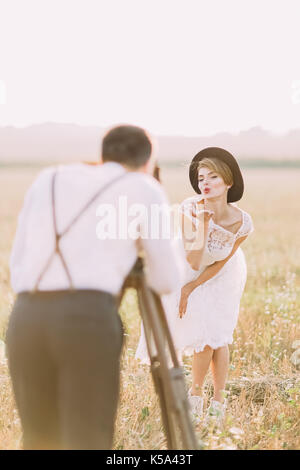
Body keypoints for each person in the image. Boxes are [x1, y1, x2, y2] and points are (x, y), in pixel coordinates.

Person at [6, 124, 185, 450]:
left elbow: (17, 261)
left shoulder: (50, 178)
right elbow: (167, 280)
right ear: (148, 161)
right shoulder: (143, 187)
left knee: (37, 438)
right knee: (87, 438)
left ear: (103, 154)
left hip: (26, 315)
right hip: (86, 319)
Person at [135, 147, 254, 424]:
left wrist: (197, 286)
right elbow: (193, 259)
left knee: (218, 334)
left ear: (229, 182)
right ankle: (196, 394)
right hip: (187, 268)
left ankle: (218, 401)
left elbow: (222, 262)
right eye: (201, 178)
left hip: (221, 274)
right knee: (203, 335)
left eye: (212, 177)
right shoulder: (191, 208)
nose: (205, 183)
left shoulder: (243, 223)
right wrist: (201, 226)